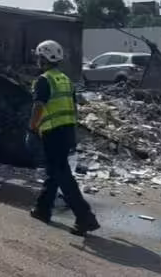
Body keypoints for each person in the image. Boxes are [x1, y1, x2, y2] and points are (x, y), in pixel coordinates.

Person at [28, 39, 100, 236]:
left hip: (53, 133)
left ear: (44, 59)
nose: (37, 60)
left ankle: (85, 217)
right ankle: (42, 209)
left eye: (39, 57)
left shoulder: (44, 80)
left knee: (62, 175)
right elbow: (73, 107)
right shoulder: (66, 80)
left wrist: (32, 128)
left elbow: (38, 106)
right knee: (55, 172)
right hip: (67, 131)